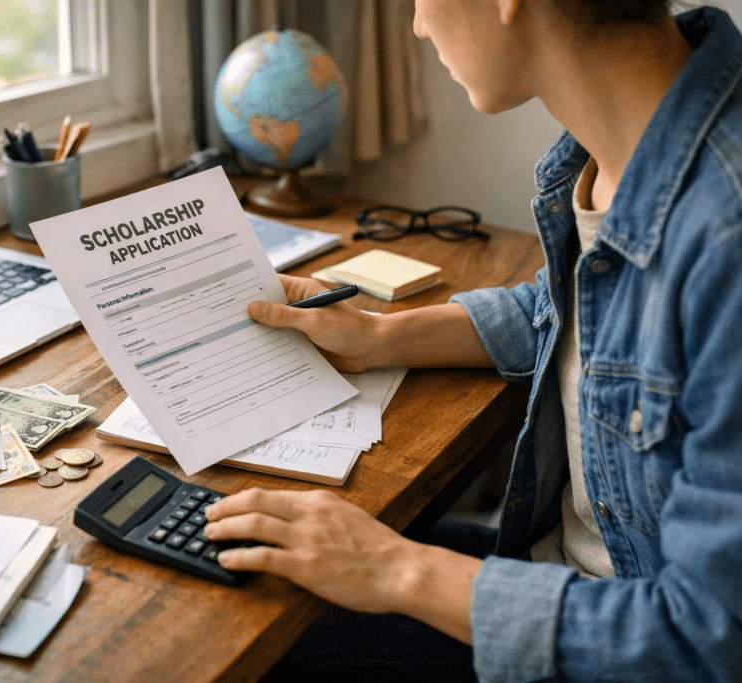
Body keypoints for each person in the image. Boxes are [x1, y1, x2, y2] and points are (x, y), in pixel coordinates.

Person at [203, 1, 742, 681]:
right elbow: (570, 309)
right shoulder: (625, 146)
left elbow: (705, 641)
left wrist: (392, 568)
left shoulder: (726, 235)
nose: (419, 25)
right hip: (570, 574)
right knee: (266, 581)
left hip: (629, 637)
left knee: (260, 641)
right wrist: (375, 335)